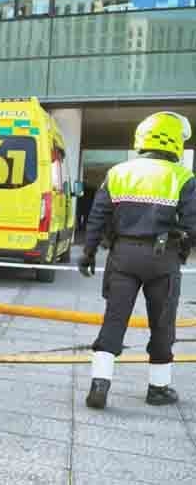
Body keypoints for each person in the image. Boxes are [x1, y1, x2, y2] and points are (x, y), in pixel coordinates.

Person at [79, 111, 196, 409]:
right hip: (163, 258)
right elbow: (192, 224)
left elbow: (98, 216)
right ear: (174, 143)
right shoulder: (183, 177)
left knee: (114, 319)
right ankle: (158, 389)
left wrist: (88, 252)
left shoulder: (119, 173)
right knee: (162, 323)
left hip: (123, 256)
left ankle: (99, 385)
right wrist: (180, 253)